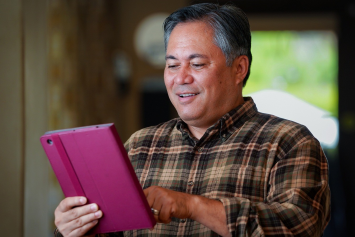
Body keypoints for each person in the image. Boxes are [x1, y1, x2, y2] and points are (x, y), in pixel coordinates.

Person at [53, 3, 330, 237]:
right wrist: (76, 227)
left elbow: (298, 226)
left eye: (197, 64)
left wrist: (193, 206)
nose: (180, 78)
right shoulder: (139, 146)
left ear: (239, 68)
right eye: (172, 65)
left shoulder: (289, 142)